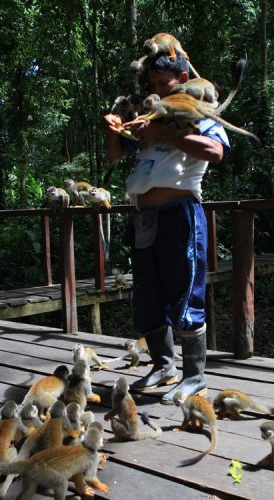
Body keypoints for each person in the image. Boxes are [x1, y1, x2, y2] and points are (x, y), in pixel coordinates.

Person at [103, 50, 230, 404]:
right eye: (153, 84)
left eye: (165, 83)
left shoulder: (195, 108)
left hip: (180, 215)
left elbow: (216, 152)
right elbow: (116, 155)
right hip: (145, 219)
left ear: (183, 78)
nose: (158, 88)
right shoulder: (148, 112)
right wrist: (113, 128)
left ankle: (195, 376)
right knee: (148, 297)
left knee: (185, 293)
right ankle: (163, 365)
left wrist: (163, 131)